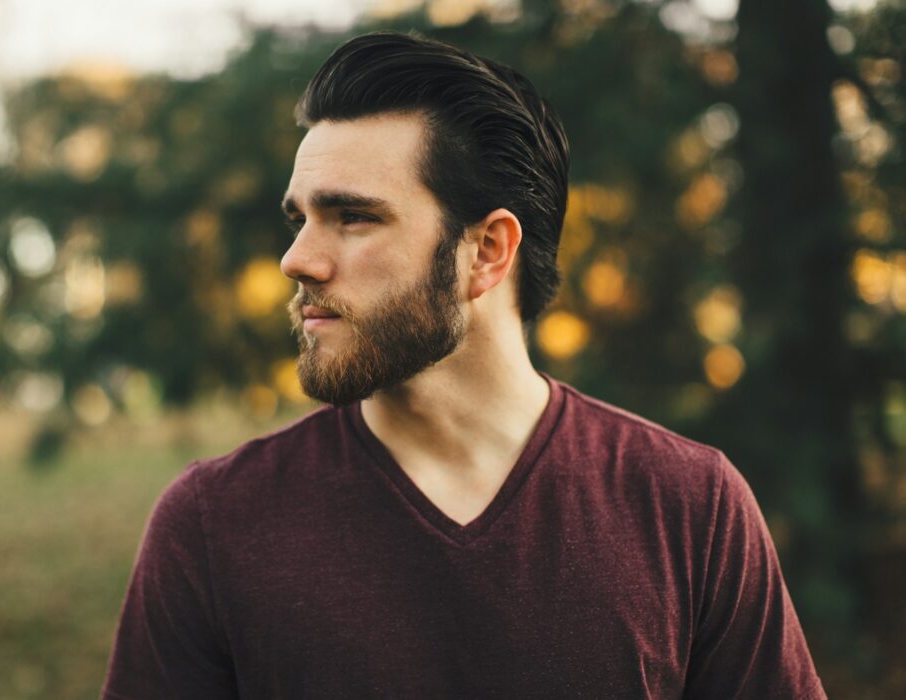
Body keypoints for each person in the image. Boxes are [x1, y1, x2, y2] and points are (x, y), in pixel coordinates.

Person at [102, 31, 826, 699]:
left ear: (487, 251)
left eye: (353, 216)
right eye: (301, 219)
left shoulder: (689, 507)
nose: (297, 260)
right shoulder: (213, 524)